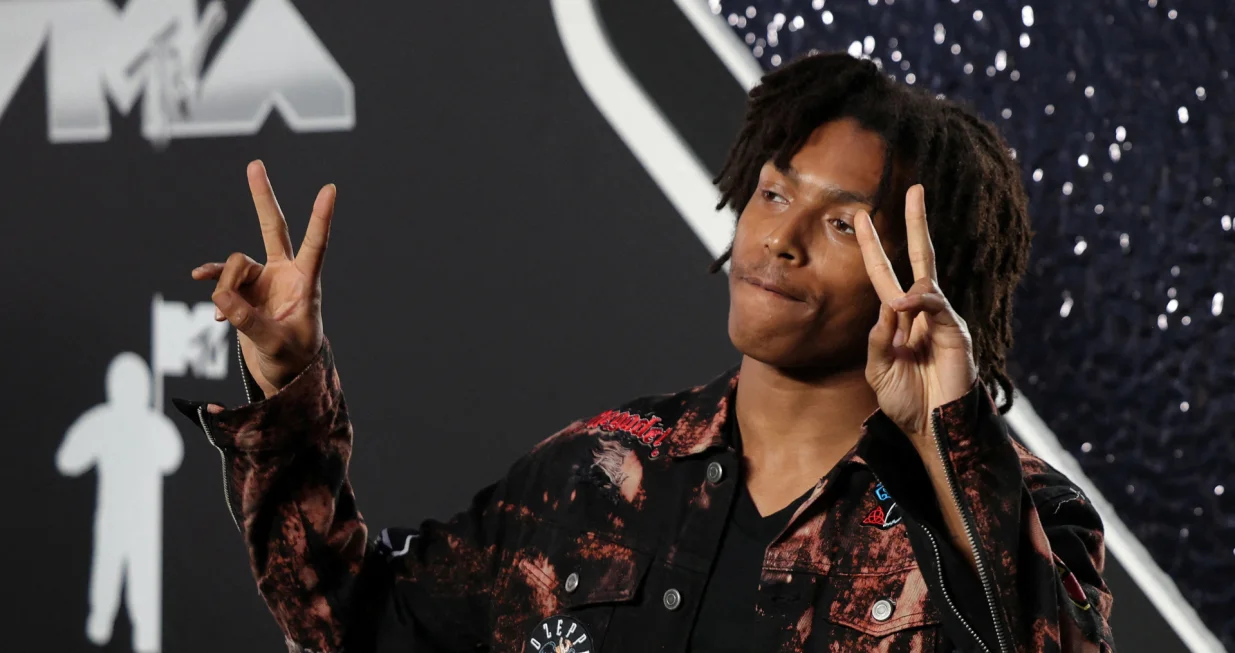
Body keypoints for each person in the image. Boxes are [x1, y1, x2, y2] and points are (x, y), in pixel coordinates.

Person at [175, 53, 1114, 653]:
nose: (779, 241)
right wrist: (287, 381)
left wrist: (950, 437)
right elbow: (355, 623)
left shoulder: (1021, 511)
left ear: (917, 267)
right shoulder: (599, 471)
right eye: (775, 196)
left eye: (841, 223)